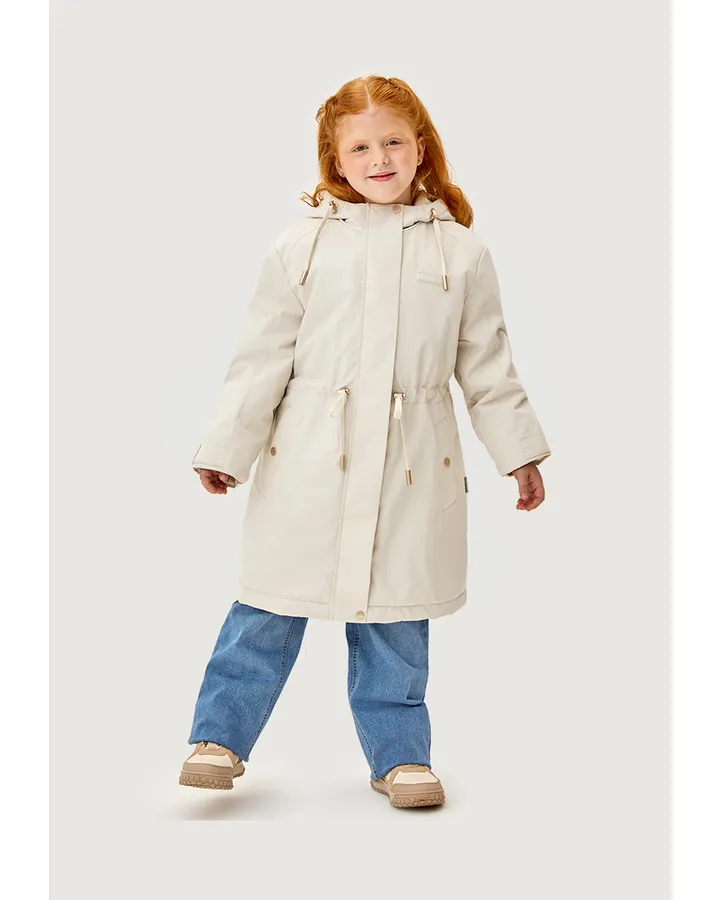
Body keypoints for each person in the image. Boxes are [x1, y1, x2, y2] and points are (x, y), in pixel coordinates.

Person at [180, 74, 551, 809]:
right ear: (335, 159)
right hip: (308, 461)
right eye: (360, 147)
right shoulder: (302, 247)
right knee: (267, 607)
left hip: (412, 466)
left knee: (398, 616)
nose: (379, 158)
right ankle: (217, 739)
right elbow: (262, 357)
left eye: (393, 142)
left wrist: (519, 452)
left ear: (421, 148)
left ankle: (401, 754)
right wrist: (226, 446)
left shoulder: (461, 253)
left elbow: (486, 364)